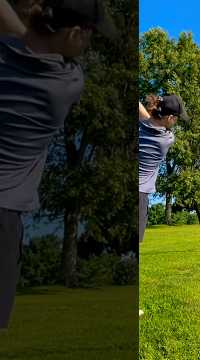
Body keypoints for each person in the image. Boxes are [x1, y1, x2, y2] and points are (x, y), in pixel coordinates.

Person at [0, 0, 115, 329]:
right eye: (90, 34)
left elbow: (17, 31)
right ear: (75, 33)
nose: (90, 43)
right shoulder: (65, 84)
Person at [138, 94, 188, 317]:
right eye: (176, 118)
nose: (176, 122)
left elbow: (145, 116)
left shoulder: (141, 126)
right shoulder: (167, 139)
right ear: (169, 117)